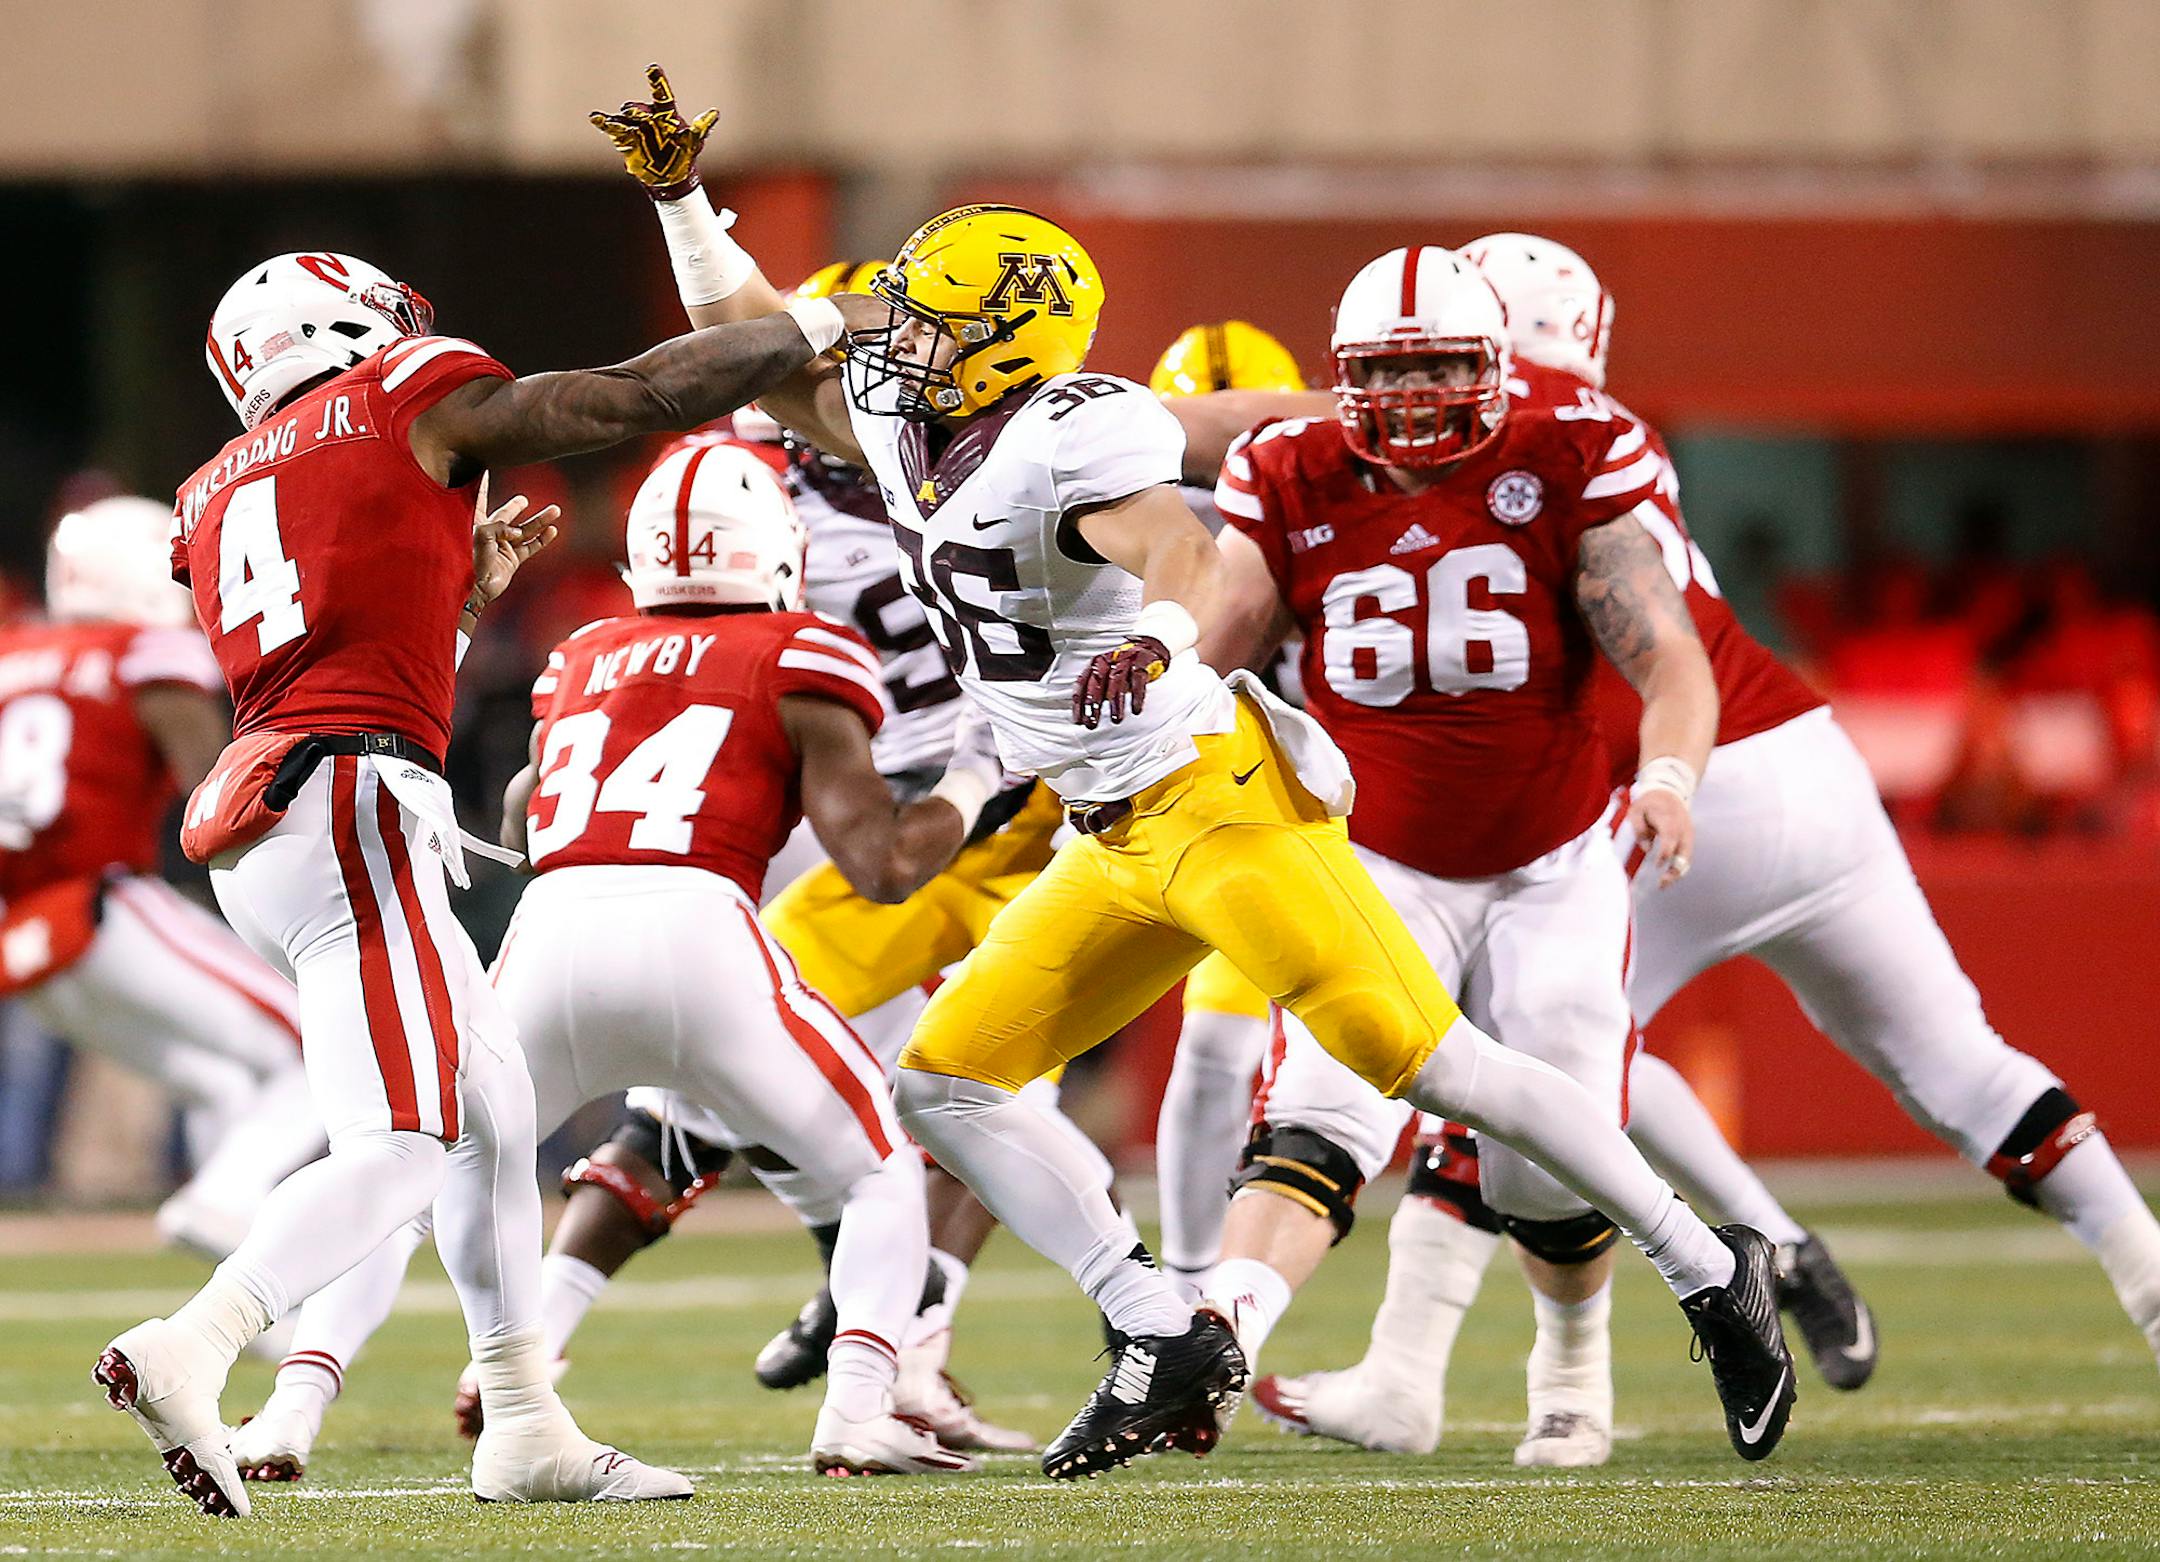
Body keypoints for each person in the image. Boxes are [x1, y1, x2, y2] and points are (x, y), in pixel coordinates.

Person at [594, 64, 1794, 1477]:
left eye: (934, 316)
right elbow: (747, 335)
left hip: (1213, 805)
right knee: (948, 1083)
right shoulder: (905, 420)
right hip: (1103, 837)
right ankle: (1160, 1326)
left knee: (1442, 1067)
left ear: (1011, 339)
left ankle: (1716, 1272)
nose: (900, 334)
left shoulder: (1067, 434)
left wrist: (1162, 643)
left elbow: (1180, 548)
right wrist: (679, 199)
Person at [1255, 231, 2160, 1451]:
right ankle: (2146, 1275)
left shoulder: (1515, 435)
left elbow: (1271, 427)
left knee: (1518, 1074)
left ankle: (1453, 1367)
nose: (1414, 393)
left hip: (1661, 782)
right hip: (1801, 759)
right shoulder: (1596, 425)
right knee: (1962, 1063)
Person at [95, 242, 881, 1517]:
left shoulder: (210, 488)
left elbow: (327, 636)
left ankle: (523, 1417)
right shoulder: (403, 388)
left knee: (492, 1110)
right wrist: (826, 319)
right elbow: (634, 395)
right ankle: (194, 1341)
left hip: (281, 801)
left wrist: (458, 604)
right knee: (403, 1141)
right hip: (348, 799)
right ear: (348, 327)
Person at [1195, 242, 1725, 1469]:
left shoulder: (1573, 450)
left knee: (1550, 1158)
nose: (1421, 392)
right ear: (1344, 374)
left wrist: (1669, 775)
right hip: (1371, 853)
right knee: (1316, 1106)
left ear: (1498, 366)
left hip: (1550, 859)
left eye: (1443, 363)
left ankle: (1571, 1373)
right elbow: (1214, 648)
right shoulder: (1291, 466)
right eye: (1393, 369)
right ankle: (1214, 1340)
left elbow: (1670, 658)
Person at [2, 499, 321, 1259]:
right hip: (104, 903)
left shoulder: (12, 658)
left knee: (222, 1083)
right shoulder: (146, 650)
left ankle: (253, 1306)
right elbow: (217, 787)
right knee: (324, 1045)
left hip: (26, 933)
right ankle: (220, 1202)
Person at [1142, 322, 1328, 1299]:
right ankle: (1184, 1288)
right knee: (1217, 1045)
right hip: (1225, 805)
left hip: (1340, 806)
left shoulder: (1329, 490)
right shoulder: (1135, 517)